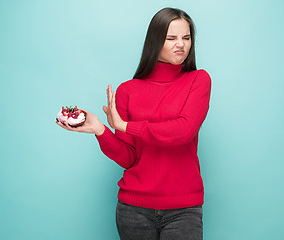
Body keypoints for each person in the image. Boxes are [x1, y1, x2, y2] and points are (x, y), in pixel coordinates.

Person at [57, 7, 211, 240]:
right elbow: (129, 158)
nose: (181, 44)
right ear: (155, 40)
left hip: (183, 209)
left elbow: (183, 130)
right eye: (171, 38)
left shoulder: (198, 80)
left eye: (186, 38)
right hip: (133, 209)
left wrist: (126, 126)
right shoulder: (128, 90)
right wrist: (101, 130)